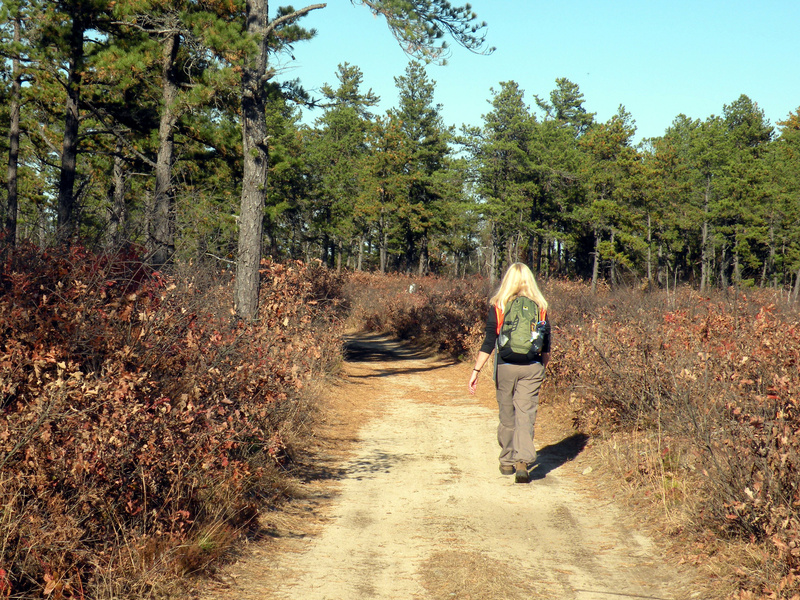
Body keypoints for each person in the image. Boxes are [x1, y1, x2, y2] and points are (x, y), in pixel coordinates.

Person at [468, 263, 551, 484]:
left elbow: (489, 342)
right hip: (532, 366)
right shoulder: (540, 306)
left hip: (505, 367)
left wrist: (476, 370)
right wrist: (541, 368)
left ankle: (507, 460)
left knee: (507, 413)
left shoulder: (499, 305)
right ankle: (523, 462)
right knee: (526, 414)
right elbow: (547, 344)